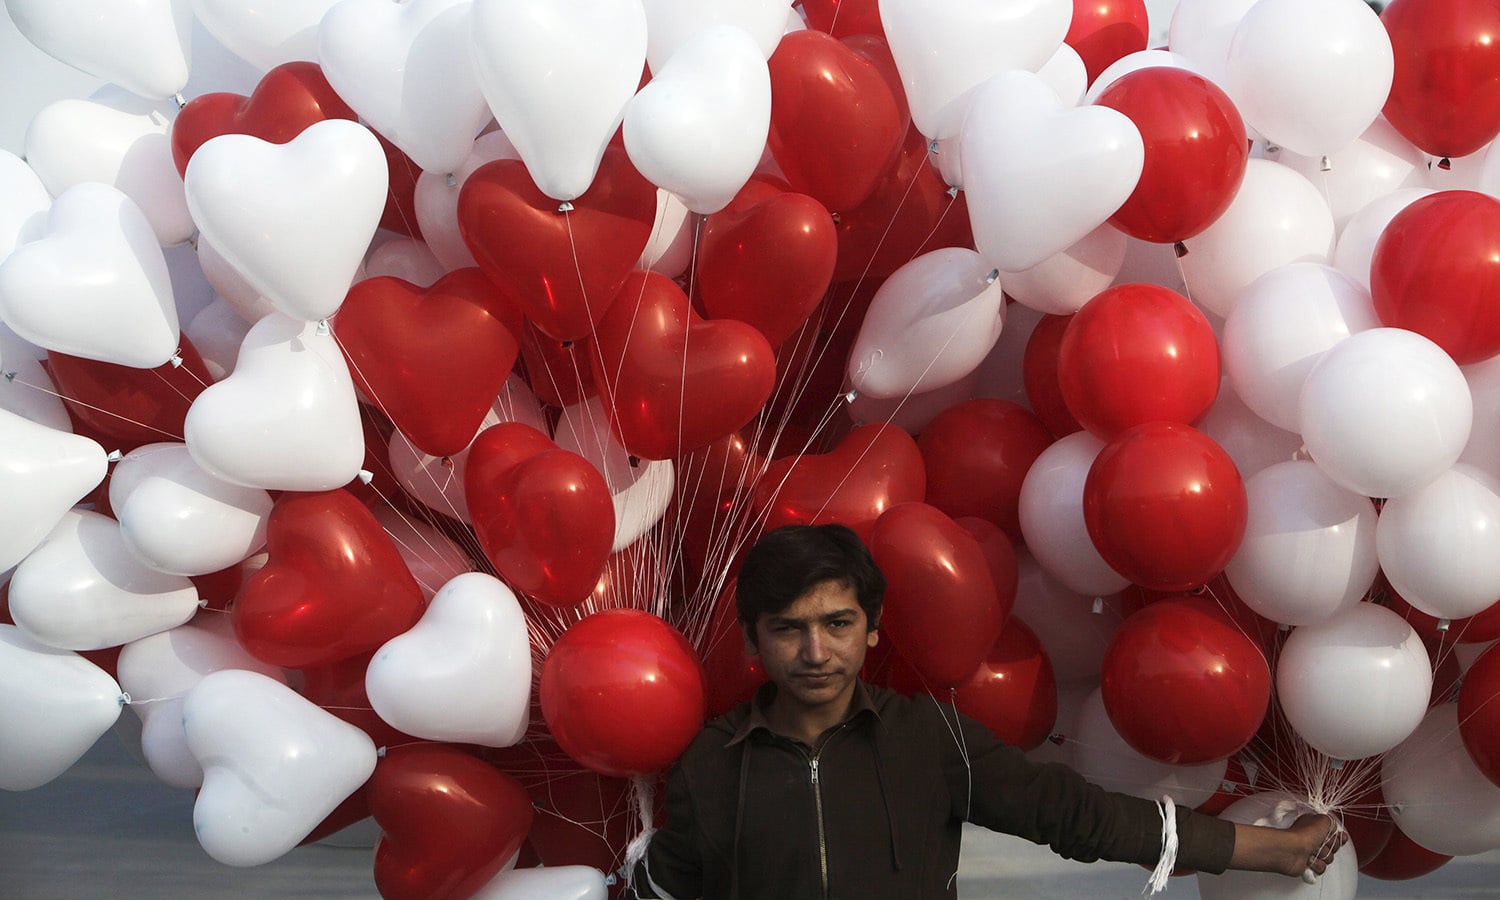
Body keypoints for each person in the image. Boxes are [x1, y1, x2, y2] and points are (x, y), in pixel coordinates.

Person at [630, 523, 1343, 899]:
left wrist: (1271, 850)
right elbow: (669, 884)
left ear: (873, 629)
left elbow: (1076, 816)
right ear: (753, 642)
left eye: (838, 623)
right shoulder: (712, 764)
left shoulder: (924, 740)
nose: (815, 651)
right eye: (788, 628)